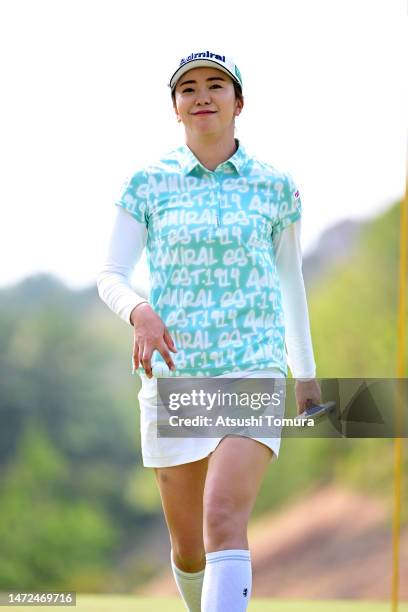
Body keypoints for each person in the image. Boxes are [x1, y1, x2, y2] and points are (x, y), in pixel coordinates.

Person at [97, 50, 321, 612]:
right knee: (190, 546)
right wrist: (138, 312)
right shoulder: (147, 183)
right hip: (177, 376)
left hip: (253, 364)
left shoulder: (274, 186)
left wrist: (307, 376)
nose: (202, 95)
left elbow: (291, 284)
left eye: (216, 85)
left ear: (238, 102)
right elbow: (112, 274)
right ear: (175, 108)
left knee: (224, 516)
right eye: (188, 88)